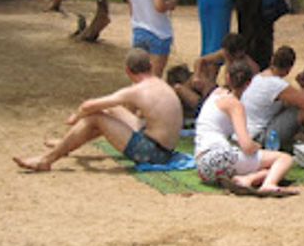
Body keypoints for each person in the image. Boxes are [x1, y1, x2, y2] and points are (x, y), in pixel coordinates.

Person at [13, 49, 183, 171]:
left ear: (128, 71)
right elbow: (105, 104)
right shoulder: (159, 84)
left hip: (153, 153)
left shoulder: (136, 90)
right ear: (150, 67)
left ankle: (46, 160)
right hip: (161, 145)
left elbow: (88, 106)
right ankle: (66, 144)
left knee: (94, 118)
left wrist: (76, 116)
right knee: (111, 109)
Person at [194, 61, 297, 197]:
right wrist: (257, 146)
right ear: (249, 84)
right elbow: (247, 145)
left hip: (202, 165)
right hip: (220, 157)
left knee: (271, 167)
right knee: (284, 159)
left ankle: (247, 179)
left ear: (227, 78)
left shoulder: (216, 94)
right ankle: (268, 184)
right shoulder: (235, 105)